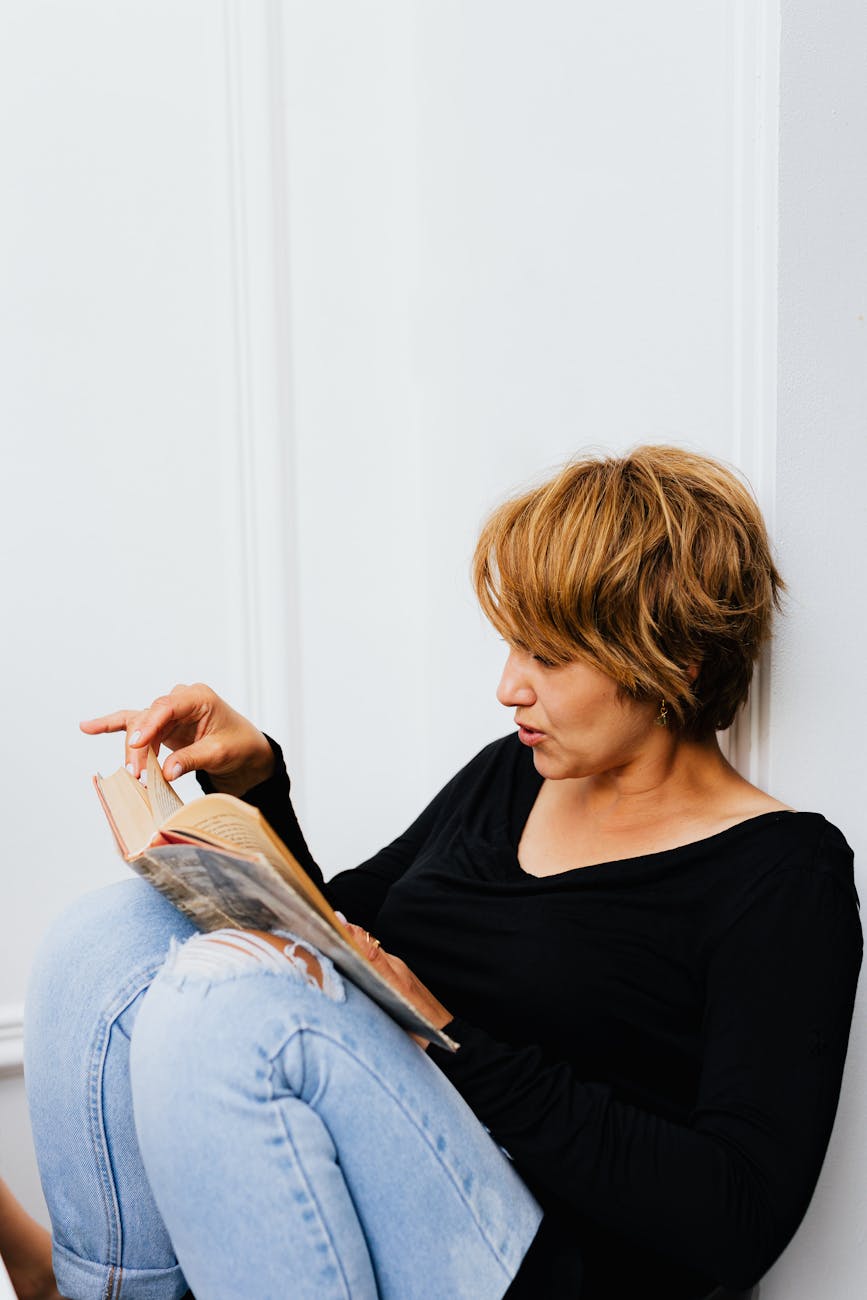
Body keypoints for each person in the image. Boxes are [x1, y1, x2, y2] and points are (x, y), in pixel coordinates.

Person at [25, 446, 861, 1300]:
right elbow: (338, 934)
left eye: (549, 658)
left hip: (559, 1263)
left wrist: (447, 1033)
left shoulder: (783, 874)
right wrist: (252, 784)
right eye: (511, 647)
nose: (507, 687)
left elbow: (736, 1217)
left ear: (673, 664)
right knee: (107, 938)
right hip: (410, 1175)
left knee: (225, 1000)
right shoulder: (513, 775)